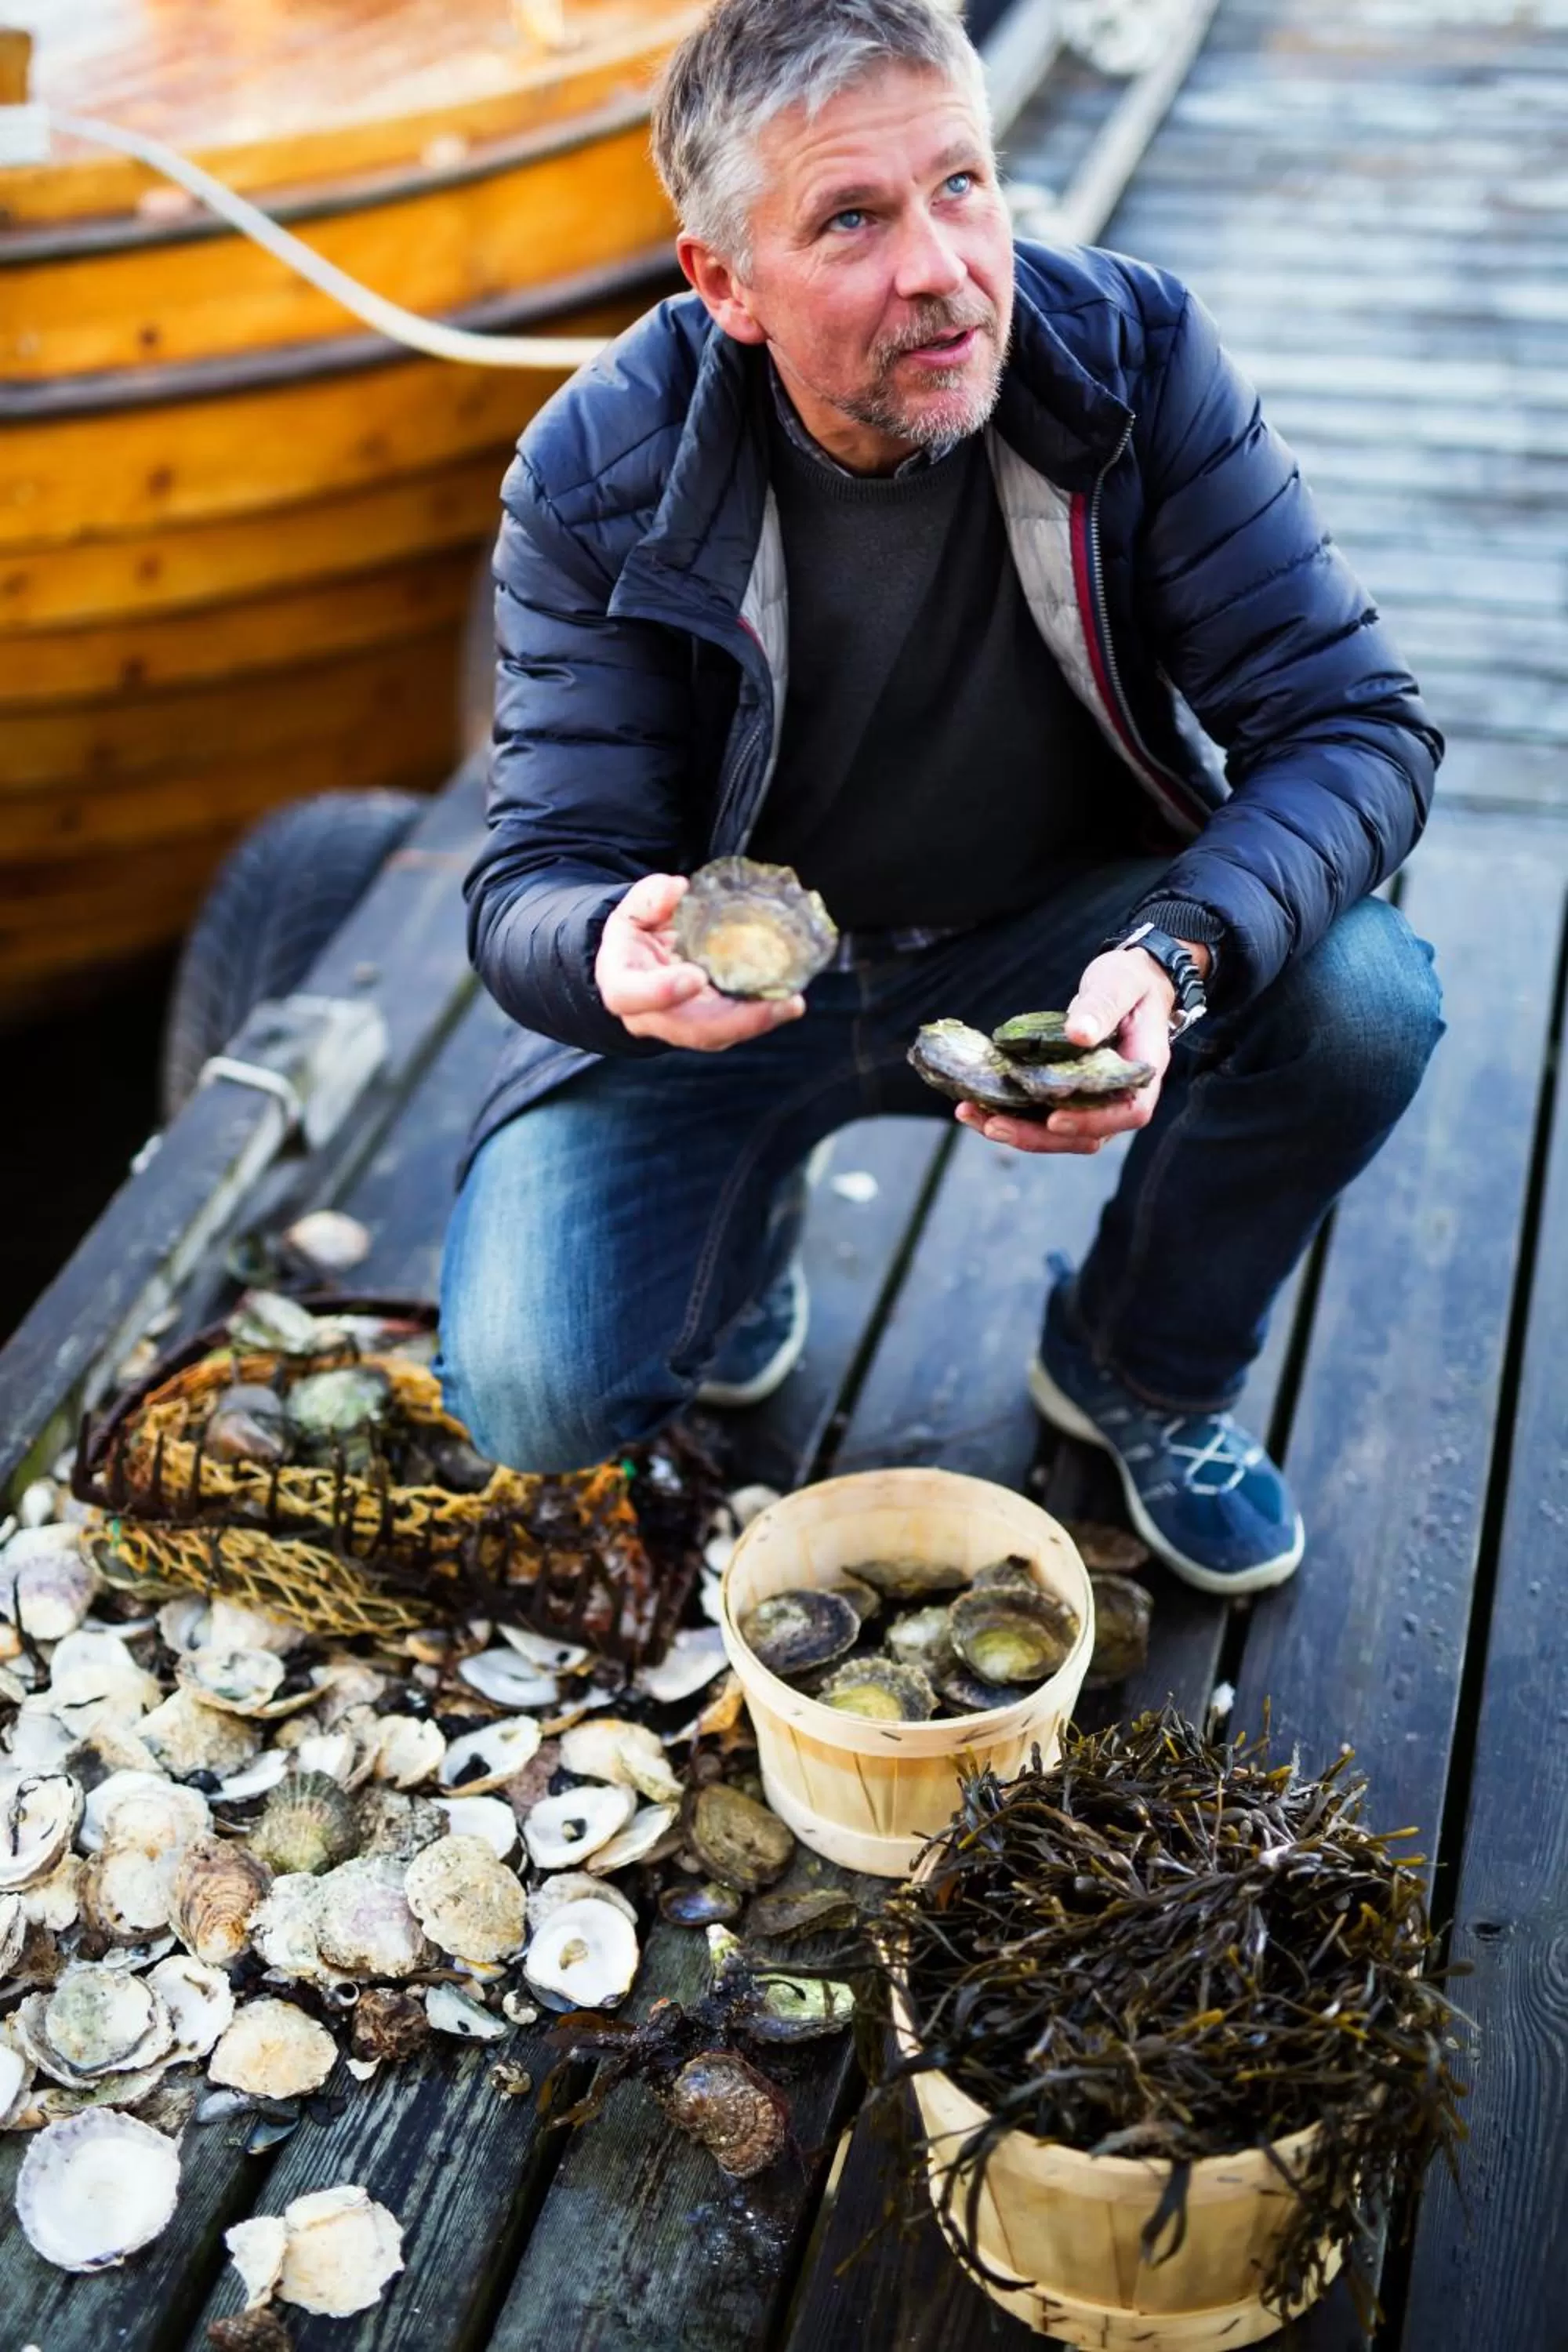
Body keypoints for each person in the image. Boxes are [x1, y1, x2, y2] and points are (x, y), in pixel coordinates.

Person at [438, 0, 1445, 1593]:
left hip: (1051, 944)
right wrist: (602, 950)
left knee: (1362, 995)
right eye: (851, 217)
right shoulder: (589, 471)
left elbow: (1353, 728)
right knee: (535, 1393)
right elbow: (537, 877)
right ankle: (740, 1211)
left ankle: (1136, 1365)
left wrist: (1176, 954)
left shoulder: (1130, 354)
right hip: (734, 1002)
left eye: (962, 184)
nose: (942, 267)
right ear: (725, 285)